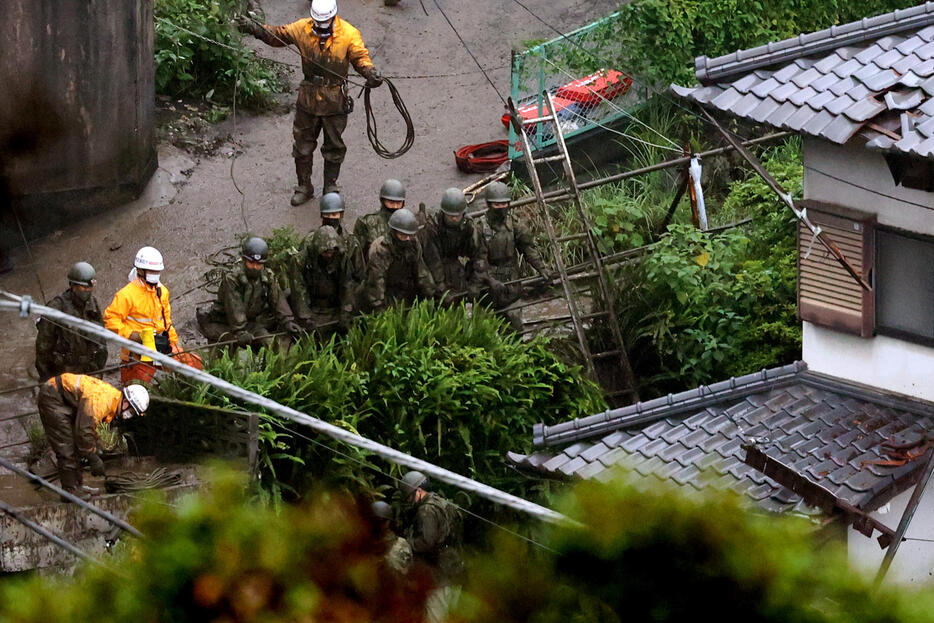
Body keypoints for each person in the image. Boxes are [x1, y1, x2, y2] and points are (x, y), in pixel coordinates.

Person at [238, 0, 383, 205]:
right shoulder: (302, 28)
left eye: (325, 23)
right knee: (302, 145)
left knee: (334, 146)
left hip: (335, 100)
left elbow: (360, 58)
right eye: (318, 23)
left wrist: (370, 72)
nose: (321, 27)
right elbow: (277, 35)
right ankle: (304, 186)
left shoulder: (349, 34)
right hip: (308, 99)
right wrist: (254, 28)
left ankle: (330, 187)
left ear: (333, 17)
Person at [37, 373, 148, 500]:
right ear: (125, 402)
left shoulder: (112, 399)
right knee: (66, 448)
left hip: (64, 398)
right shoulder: (101, 401)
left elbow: (90, 428)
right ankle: (70, 491)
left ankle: (77, 485)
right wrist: (93, 457)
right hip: (53, 397)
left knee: (77, 446)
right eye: (132, 411)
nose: (130, 415)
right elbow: (84, 431)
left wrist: (93, 450)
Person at [103, 246, 202, 385]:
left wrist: (175, 345)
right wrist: (132, 335)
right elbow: (109, 320)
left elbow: (167, 322)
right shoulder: (126, 295)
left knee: (195, 365)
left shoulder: (162, 291)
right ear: (140, 270)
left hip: (161, 345)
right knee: (140, 387)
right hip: (138, 353)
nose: (155, 274)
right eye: (151, 271)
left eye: (157, 271)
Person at [197, 237, 302, 349]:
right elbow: (234, 307)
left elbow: (277, 299)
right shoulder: (232, 279)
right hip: (226, 322)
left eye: (259, 264)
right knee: (233, 348)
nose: (255, 268)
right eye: (251, 263)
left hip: (251, 322)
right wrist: (240, 331)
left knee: (270, 343)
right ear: (244, 259)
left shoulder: (267, 276)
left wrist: (288, 321)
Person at [479, 181, 557, 331]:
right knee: (487, 329)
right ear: (489, 205)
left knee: (515, 325)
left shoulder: (514, 224)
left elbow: (527, 249)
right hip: (488, 285)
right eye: (497, 205)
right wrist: (489, 279)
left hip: (512, 283)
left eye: (504, 205)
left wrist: (542, 268)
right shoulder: (480, 228)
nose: (501, 208)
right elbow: (477, 259)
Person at [400, 471, 463, 623]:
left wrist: (407, 542)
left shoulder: (426, 510)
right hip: (454, 571)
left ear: (419, 491)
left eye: (409, 496)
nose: (409, 501)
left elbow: (426, 542)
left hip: (440, 576)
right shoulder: (442, 503)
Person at [34, 262, 108, 381]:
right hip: (65, 374)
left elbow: (101, 337)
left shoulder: (92, 303)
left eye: (90, 287)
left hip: (89, 371)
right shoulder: (55, 309)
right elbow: (43, 348)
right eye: (84, 287)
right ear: (73, 285)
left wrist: (99, 368)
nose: (88, 290)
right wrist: (47, 380)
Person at [421, 188, 489, 303]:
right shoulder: (432, 228)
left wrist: (476, 283)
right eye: (450, 215)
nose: (454, 218)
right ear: (443, 213)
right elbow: (432, 262)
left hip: (457, 270)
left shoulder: (468, 226)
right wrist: (442, 290)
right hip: (435, 273)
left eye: (457, 215)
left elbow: (479, 255)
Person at [362, 209, 436, 312]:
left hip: (406, 289)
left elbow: (421, 271)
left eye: (409, 235)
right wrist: (378, 306)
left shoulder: (413, 243)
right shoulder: (381, 248)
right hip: (388, 292)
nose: (407, 239)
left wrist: (431, 294)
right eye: (403, 235)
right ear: (393, 232)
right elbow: (376, 279)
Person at [288, 226, 355, 338]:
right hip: (313, 308)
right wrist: (306, 319)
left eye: (331, 252)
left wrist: (346, 312)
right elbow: (299, 292)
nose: (329, 256)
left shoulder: (341, 258)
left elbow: (347, 285)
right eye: (325, 252)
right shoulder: (300, 261)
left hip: (334, 307)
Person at [353, 178, 406, 262]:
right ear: (383, 201)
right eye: (391, 203)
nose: (395, 207)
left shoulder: (407, 223)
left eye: (398, 203)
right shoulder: (368, 222)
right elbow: (357, 256)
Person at [318, 191, 364, 284]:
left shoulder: (351, 242)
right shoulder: (311, 240)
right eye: (327, 214)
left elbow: (360, 273)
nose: (330, 218)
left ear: (341, 215)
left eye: (334, 214)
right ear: (322, 215)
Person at [372, 500, 413, 576]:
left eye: (382, 521)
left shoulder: (402, 544)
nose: (378, 525)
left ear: (389, 522)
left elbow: (407, 571)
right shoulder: (364, 544)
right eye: (374, 521)